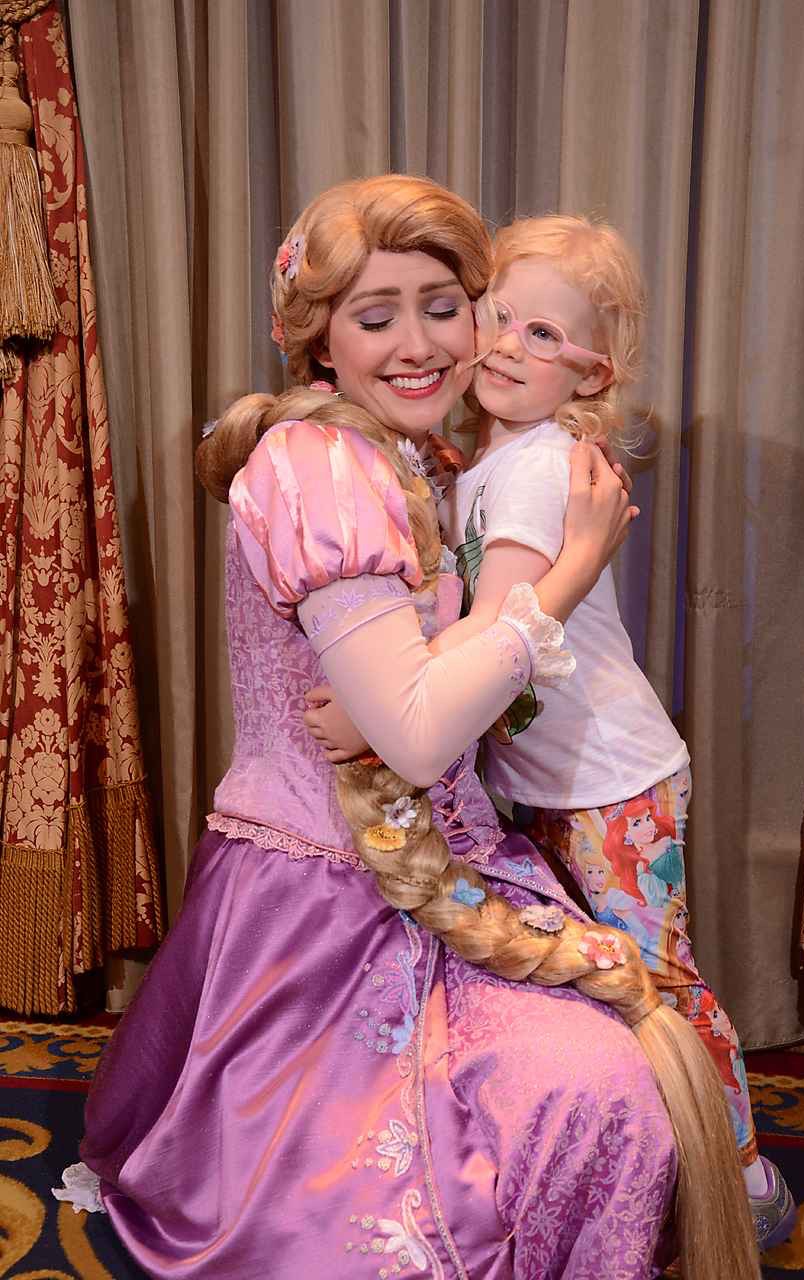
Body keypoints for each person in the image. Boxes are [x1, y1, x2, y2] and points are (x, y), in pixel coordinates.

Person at [51, 176, 724, 1279]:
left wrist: (399, 689)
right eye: (376, 317)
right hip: (327, 905)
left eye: (443, 307)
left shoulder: (415, 456)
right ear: (318, 337)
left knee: (617, 1078)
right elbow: (415, 737)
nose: (419, 345)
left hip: (438, 864)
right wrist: (569, 575)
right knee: (591, 1096)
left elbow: (418, 704)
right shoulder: (319, 469)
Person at [417, 212, 793, 1251]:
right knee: (593, 983)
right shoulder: (491, 459)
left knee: (653, 979)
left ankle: (747, 1178)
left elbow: (493, 630)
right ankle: (650, 1165)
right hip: (549, 779)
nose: (505, 344)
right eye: (497, 315)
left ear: (593, 372)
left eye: (542, 335)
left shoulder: (542, 466)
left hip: (612, 783)